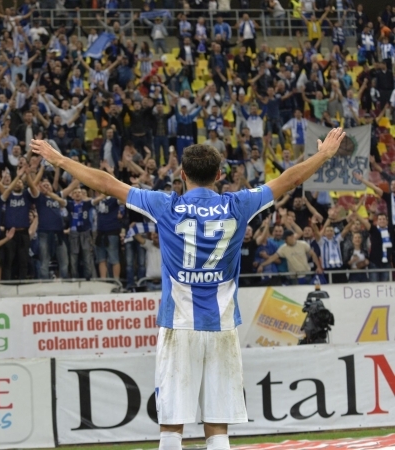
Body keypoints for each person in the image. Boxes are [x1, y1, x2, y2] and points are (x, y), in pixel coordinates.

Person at [30, 125, 346, 450]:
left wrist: (60, 160)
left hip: (178, 325)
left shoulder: (165, 205)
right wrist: (323, 155)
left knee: (171, 426)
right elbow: (288, 180)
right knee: (218, 427)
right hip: (222, 327)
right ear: (219, 175)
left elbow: (107, 183)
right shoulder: (238, 205)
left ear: (182, 174)